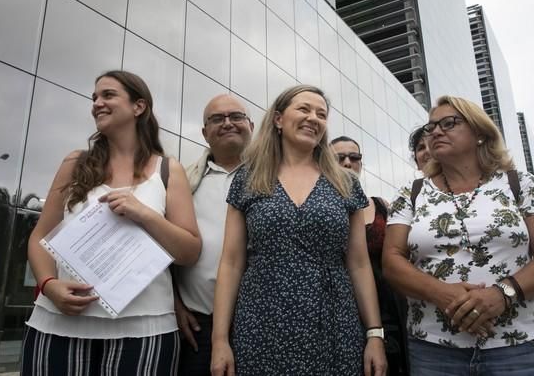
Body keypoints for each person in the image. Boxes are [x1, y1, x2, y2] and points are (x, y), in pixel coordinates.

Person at [22, 70, 201, 376]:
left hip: (146, 329)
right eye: (94, 97)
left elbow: (189, 251)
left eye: (107, 95)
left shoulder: (169, 170)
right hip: (58, 324)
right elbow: (41, 238)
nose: (96, 104)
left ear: (138, 106)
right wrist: (49, 286)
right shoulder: (74, 163)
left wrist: (142, 213)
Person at [210, 85, 387, 376]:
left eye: (321, 114)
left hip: (334, 323)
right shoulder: (249, 177)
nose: (314, 118)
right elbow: (230, 263)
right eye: (304, 109)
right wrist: (219, 340)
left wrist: (374, 335)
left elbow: (358, 264)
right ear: (278, 119)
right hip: (261, 323)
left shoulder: (345, 183)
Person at [383, 95, 534, 376]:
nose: (436, 132)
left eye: (449, 123)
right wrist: (443, 295)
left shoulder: (521, 183)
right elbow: (392, 261)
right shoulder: (411, 192)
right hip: (434, 352)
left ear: (480, 133)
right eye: (431, 127)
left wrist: (500, 294)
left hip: (520, 349)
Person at [174, 95, 254, 375]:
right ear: (205, 132)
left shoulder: (276, 180)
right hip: (197, 327)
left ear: (251, 126)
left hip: (263, 325)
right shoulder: (181, 181)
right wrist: (173, 304)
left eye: (236, 116)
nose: (228, 123)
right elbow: (160, 249)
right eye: (217, 119)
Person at [331, 136, 408, 375]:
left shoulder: (382, 206)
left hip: (388, 308)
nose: (347, 163)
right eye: (339, 158)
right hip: (341, 308)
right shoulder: (320, 211)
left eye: (354, 158)